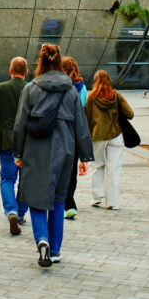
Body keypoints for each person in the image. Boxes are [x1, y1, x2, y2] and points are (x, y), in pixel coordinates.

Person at [12, 45, 93, 268]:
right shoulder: (71, 90)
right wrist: (84, 157)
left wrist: (17, 153)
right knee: (58, 200)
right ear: (59, 63)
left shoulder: (31, 88)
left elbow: (20, 124)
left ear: (41, 62)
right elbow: (80, 123)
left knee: (37, 197)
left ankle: (42, 240)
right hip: (65, 148)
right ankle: (55, 250)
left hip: (37, 148)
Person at [0, 56, 29, 235]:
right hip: (28, 141)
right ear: (26, 72)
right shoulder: (31, 89)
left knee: (7, 179)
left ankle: (10, 211)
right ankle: (20, 213)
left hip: (6, 139)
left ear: (10, 71)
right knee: (26, 180)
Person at [84, 70, 134, 211]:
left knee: (96, 165)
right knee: (114, 169)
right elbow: (130, 114)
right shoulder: (116, 96)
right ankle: (113, 202)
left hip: (97, 137)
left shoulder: (91, 97)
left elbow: (86, 118)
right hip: (115, 136)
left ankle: (96, 198)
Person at [60, 57, 88, 219]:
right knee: (72, 170)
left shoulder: (60, 86)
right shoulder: (81, 87)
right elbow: (81, 109)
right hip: (75, 131)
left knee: (60, 168)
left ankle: (68, 202)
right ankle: (69, 201)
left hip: (61, 130)